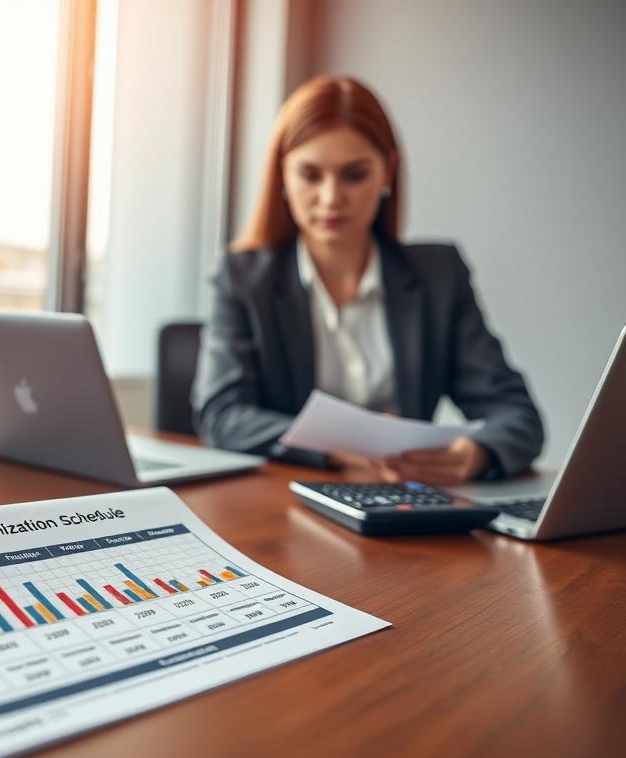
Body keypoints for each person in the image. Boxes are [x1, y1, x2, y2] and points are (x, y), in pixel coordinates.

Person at [192, 75, 543, 485]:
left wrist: (476, 454)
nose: (330, 197)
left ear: (387, 173)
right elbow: (222, 416)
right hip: (287, 503)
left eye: (354, 175)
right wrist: (334, 449)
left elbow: (518, 415)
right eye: (310, 175)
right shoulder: (244, 277)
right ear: (282, 176)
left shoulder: (439, 277)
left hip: (402, 504)